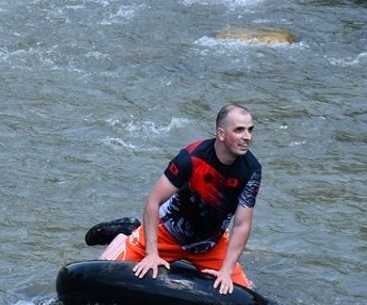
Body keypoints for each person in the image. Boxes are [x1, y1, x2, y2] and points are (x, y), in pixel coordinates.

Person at [99, 103, 261, 295]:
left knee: (248, 296)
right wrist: (152, 254)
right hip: (166, 234)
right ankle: (128, 232)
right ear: (221, 134)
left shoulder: (251, 170)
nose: (247, 137)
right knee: (101, 274)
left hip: (210, 244)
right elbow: (153, 201)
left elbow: (242, 224)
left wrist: (226, 270)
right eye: (239, 130)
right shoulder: (191, 158)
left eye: (250, 130)